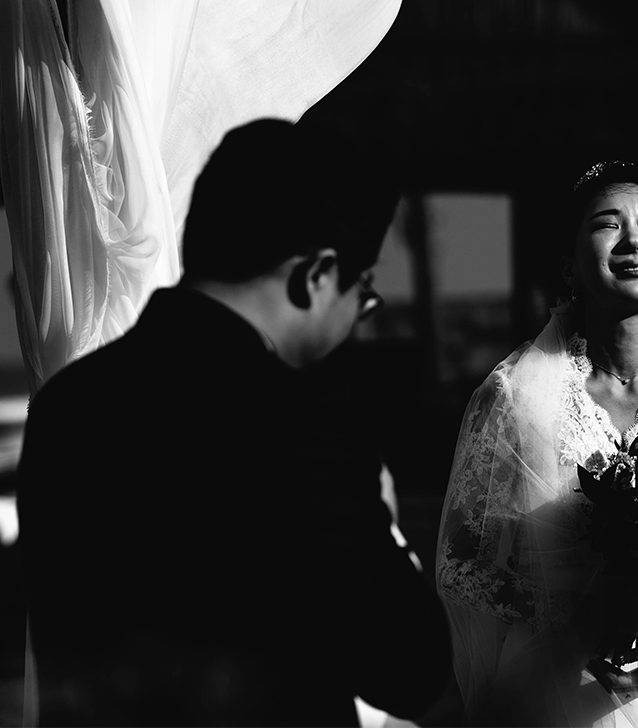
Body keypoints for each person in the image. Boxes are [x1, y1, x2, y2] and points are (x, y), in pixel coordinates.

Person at [16, 118, 452, 726]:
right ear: (316, 276)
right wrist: (391, 529)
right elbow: (408, 667)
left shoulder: (67, 403)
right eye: (363, 292)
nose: (359, 314)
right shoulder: (300, 418)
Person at [436, 160, 638, 727]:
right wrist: (578, 618)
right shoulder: (517, 394)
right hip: (546, 688)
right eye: (607, 223)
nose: (634, 238)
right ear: (569, 265)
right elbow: (462, 563)